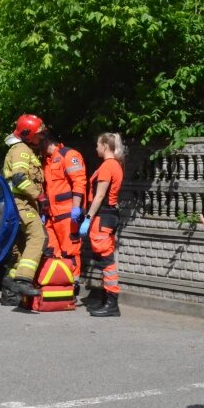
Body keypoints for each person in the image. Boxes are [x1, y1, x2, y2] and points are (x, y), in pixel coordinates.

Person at [1, 114, 48, 301]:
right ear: (27, 133)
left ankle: (9, 292)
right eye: (38, 134)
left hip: (18, 204)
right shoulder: (21, 150)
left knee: (20, 248)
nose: (41, 137)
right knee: (38, 236)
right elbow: (20, 179)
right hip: (21, 203)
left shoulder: (23, 149)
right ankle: (23, 280)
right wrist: (41, 197)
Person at [79, 132, 125, 317]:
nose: (96, 148)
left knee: (106, 262)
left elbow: (99, 196)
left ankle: (112, 304)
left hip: (103, 216)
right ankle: (108, 301)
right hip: (109, 215)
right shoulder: (116, 165)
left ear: (105, 145)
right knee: (105, 260)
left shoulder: (107, 166)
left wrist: (88, 218)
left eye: (98, 144)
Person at [40, 131, 87, 295]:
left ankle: (73, 285)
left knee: (70, 252)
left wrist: (76, 207)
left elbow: (79, 182)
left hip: (68, 215)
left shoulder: (69, 155)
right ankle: (60, 284)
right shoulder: (47, 161)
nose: (37, 146)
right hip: (52, 216)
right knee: (53, 252)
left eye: (39, 142)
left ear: (47, 141)